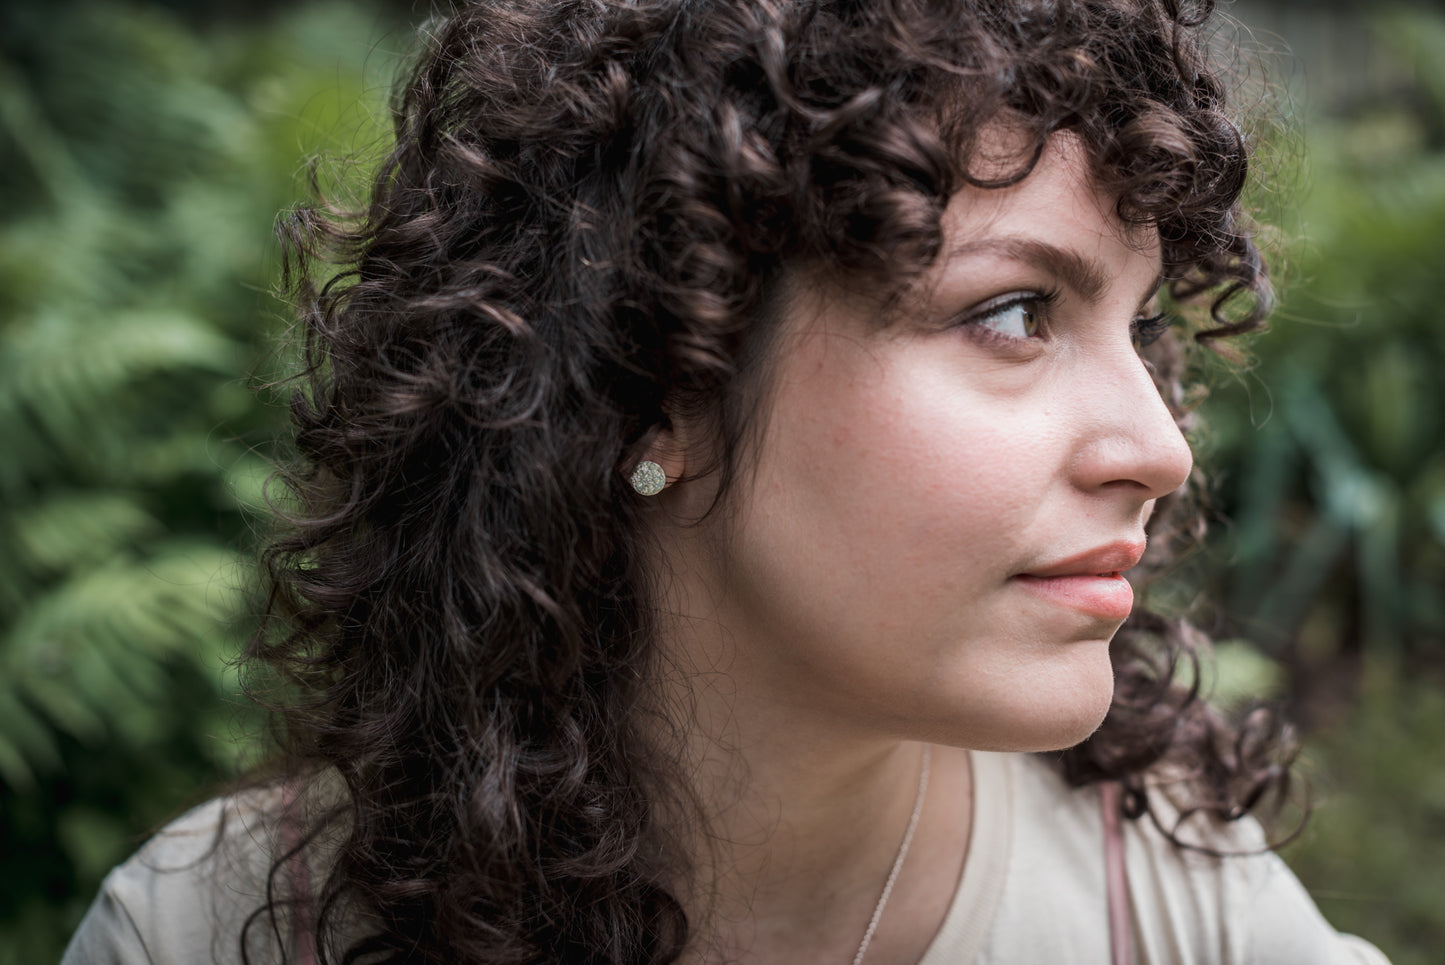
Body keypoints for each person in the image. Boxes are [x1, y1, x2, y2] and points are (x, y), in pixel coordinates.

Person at [64, 1, 1391, 962]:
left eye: (1142, 330)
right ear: (658, 373)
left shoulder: (1173, 910)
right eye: (1014, 312)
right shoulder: (205, 930)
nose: (1160, 445)